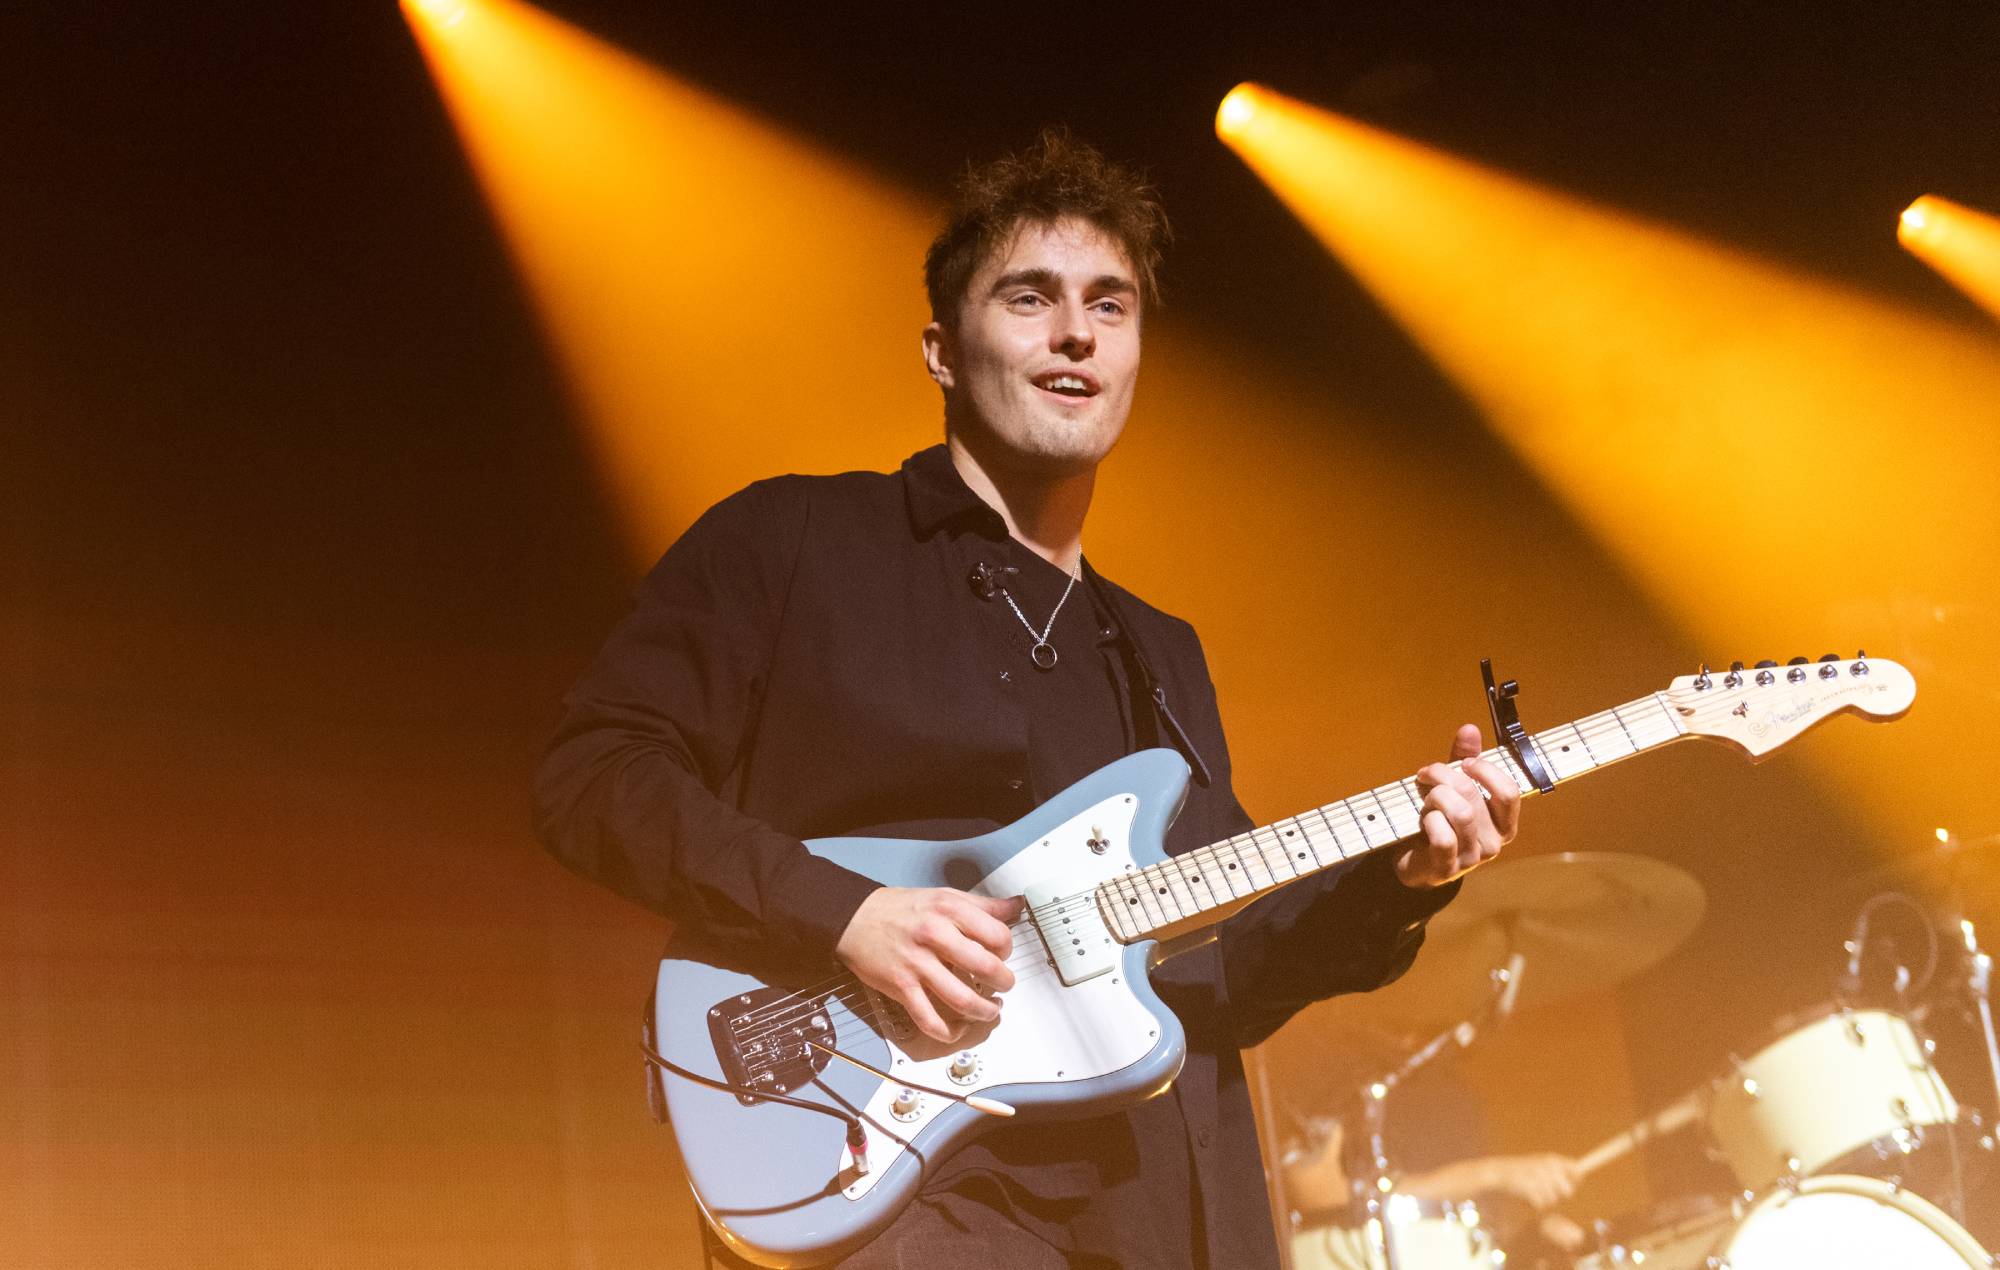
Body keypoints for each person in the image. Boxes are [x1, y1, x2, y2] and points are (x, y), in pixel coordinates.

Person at [534, 129, 1521, 1269]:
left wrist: (1405, 875)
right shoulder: (792, 540)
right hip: (887, 1184)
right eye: (1029, 297)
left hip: (1150, 1205)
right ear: (942, 349)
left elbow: (1229, 970)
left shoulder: (1158, 652)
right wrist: (845, 912)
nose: (1074, 335)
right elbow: (592, 774)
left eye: (1110, 306)